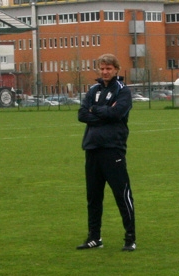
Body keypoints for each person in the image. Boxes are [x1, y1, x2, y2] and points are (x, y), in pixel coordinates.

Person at [76, 53, 136, 251]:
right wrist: (102, 111)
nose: (105, 71)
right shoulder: (93, 89)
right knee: (93, 197)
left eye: (108, 68)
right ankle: (94, 237)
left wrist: (96, 110)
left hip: (113, 149)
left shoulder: (123, 91)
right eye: (102, 68)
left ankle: (130, 238)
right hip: (92, 149)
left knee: (122, 194)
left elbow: (117, 113)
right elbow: (82, 114)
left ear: (116, 69)